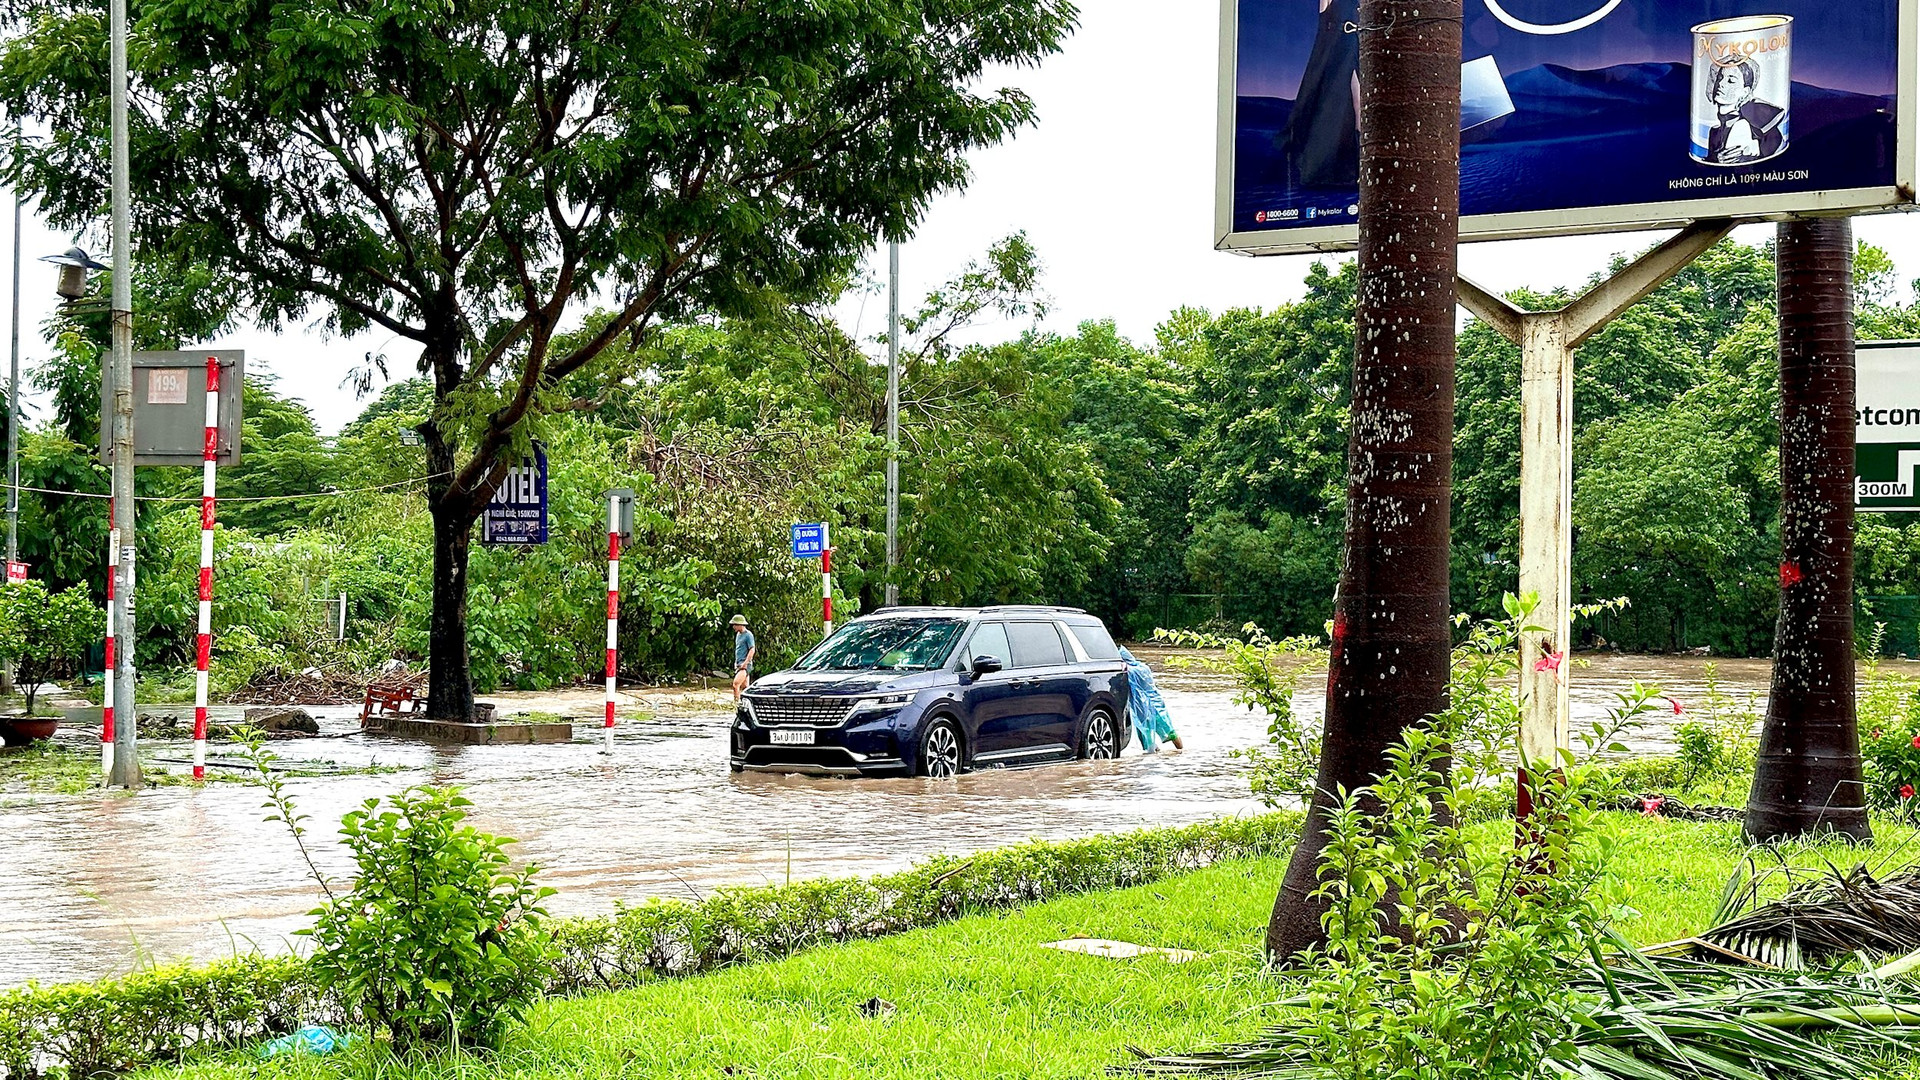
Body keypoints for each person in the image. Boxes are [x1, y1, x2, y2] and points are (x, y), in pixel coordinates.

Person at [1706, 58, 1785, 165]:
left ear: (1745, 92)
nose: (1721, 84)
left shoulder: (1757, 127)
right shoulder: (1715, 132)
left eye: (1731, 80)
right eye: (1720, 78)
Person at [1119, 647, 1183, 753]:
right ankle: (1181, 752)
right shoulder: (1143, 667)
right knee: (1170, 731)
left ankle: (1153, 758)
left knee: (1147, 735)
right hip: (1157, 703)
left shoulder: (1129, 670)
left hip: (1141, 706)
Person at [730, 615, 756, 702]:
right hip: (739, 663)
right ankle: (748, 704)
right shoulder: (738, 635)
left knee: (735, 684)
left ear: (740, 625)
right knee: (745, 687)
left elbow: (752, 650)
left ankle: (736, 704)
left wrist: (745, 663)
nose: (733, 627)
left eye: (735, 625)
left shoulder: (748, 635)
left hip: (745, 664)